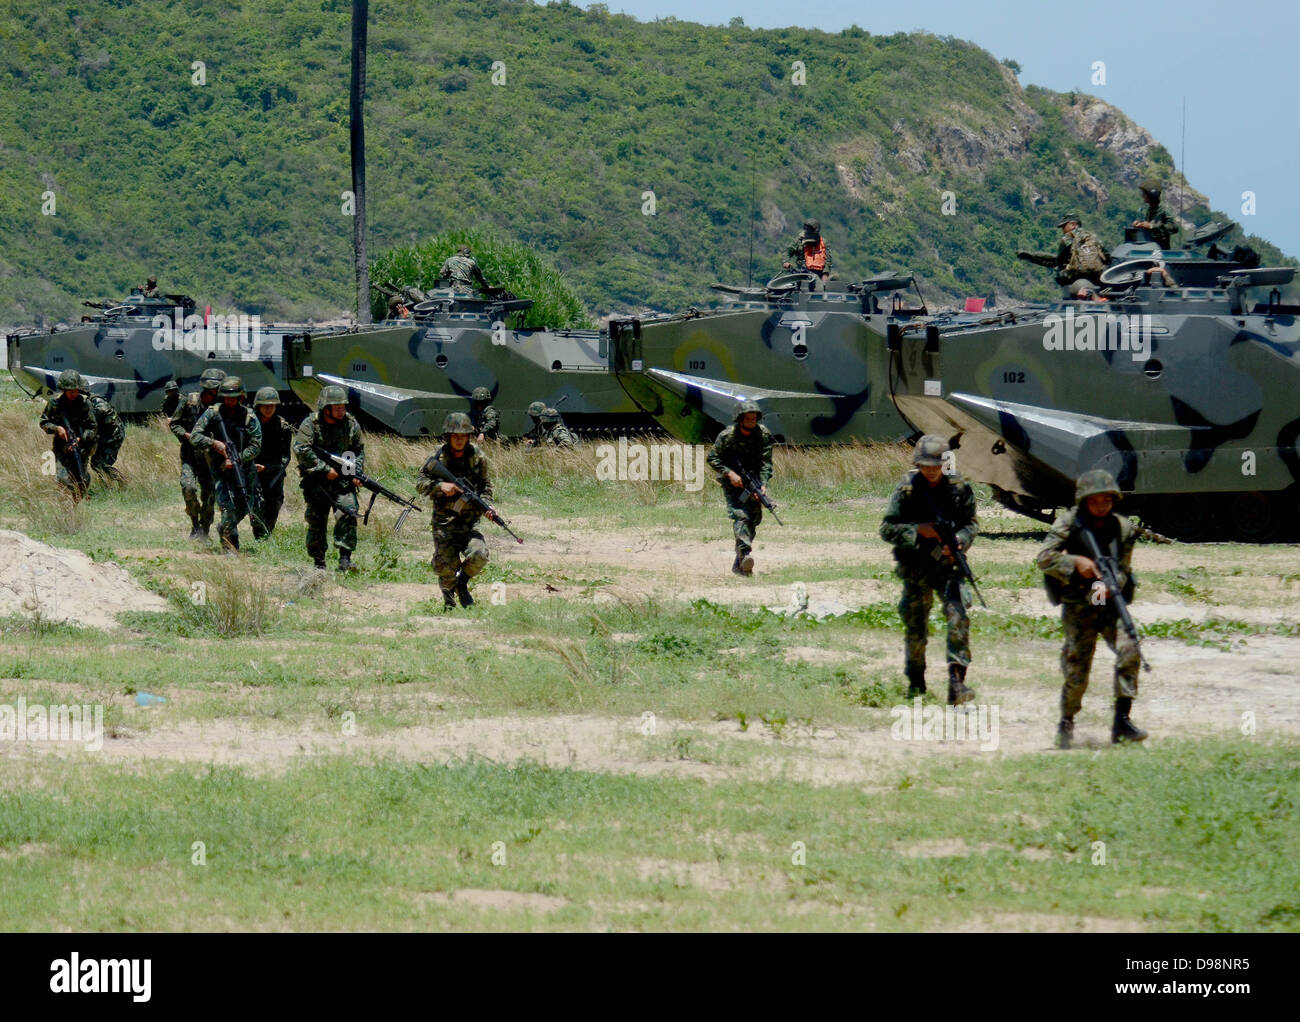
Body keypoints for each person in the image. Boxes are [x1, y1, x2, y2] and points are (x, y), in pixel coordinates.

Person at [1037, 470, 1147, 749]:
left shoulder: (1122, 528)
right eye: (1095, 500)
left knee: (1130, 648)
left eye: (1106, 500)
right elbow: (1044, 558)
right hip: (1079, 605)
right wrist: (1075, 563)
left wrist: (1113, 584)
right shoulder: (1069, 523)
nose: (1101, 505)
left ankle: (1122, 721)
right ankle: (1067, 721)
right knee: (1077, 670)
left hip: (1109, 603)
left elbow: (1123, 568)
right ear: (1083, 500)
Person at [879, 435, 978, 705]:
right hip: (917, 567)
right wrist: (918, 531)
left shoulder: (959, 488)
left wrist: (960, 540)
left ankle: (957, 683)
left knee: (958, 619)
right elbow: (887, 529)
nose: (931, 470)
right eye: (925, 465)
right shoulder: (907, 489)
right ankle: (916, 680)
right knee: (916, 627)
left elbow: (970, 523)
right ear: (917, 464)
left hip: (949, 567)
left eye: (936, 464)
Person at [417, 412, 498, 609]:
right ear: (448, 436)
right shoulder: (438, 456)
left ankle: (462, 583)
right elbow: (420, 483)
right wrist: (440, 487)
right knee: (445, 566)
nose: (460, 439)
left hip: (470, 522)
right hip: (444, 524)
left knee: (479, 554)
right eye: (455, 436)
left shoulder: (477, 456)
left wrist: (487, 505)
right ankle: (449, 599)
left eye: (463, 436)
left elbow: (485, 486)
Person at [294, 385, 364, 572]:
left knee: (348, 513)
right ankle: (318, 562)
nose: (342, 410)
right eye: (337, 407)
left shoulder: (351, 424)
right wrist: (325, 470)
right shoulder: (310, 424)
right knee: (317, 521)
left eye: (343, 406)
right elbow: (301, 450)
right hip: (317, 483)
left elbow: (358, 449)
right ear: (326, 408)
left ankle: (345, 559)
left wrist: (355, 473)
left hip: (343, 482)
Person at [191, 377, 262, 554]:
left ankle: (224, 526)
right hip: (219, 467)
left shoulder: (249, 417)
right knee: (227, 506)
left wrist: (238, 459)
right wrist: (214, 443)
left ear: (241, 397)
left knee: (247, 503)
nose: (230, 401)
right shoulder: (213, 413)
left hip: (243, 467)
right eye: (227, 397)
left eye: (234, 397)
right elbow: (195, 436)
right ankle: (230, 546)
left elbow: (256, 445)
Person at [706, 400, 774, 576]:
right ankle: (745, 554)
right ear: (740, 419)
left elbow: (766, 463)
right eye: (748, 418)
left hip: (754, 481)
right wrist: (729, 473)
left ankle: (740, 564)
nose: (752, 422)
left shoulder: (763, 434)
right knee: (741, 517)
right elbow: (712, 458)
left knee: (754, 520)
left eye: (754, 418)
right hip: (732, 482)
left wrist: (763, 484)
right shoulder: (727, 436)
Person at [170, 367, 225, 539]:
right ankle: (194, 524)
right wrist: (186, 435)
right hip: (190, 455)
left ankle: (205, 529)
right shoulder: (189, 401)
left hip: (212, 458)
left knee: (209, 496)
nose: (212, 392)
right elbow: (174, 424)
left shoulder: (222, 407)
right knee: (188, 488)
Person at [38, 369, 98, 500]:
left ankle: (78, 501)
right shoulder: (55, 403)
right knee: (63, 478)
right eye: (70, 391)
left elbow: (93, 428)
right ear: (63, 390)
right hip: (61, 448)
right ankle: (64, 504)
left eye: (76, 390)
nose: (74, 394)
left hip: (81, 447)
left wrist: (80, 438)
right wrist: (57, 428)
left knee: (81, 478)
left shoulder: (85, 403)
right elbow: (43, 422)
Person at [250, 386, 295, 540]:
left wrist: (268, 468)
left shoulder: (283, 427)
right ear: (258, 406)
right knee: (255, 504)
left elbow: (285, 457)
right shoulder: (249, 423)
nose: (269, 409)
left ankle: (266, 534)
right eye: (265, 406)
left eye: (272, 406)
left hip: (274, 473)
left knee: (274, 503)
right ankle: (259, 536)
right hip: (251, 469)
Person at [1018, 215, 1110, 287]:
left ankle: (1069, 307)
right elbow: (1107, 257)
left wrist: (1033, 258)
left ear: (1073, 224)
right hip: (1097, 276)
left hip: (1076, 277)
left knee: (1059, 270)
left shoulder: (1068, 238)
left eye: (1064, 226)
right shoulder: (1093, 237)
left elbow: (1059, 261)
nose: (1063, 230)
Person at [88, 393, 126, 481]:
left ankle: (122, 480)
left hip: (113, 436)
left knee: (101, 464)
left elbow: (100, 412)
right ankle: (105, 484)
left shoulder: (96, 401)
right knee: (96, 464)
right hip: (105, 436)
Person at [1133, 180, 1179, 250]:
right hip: (1150, 249)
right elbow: (1148, 227)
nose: (1142, 196)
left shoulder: (1164, 210)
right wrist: (1140, 225)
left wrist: (1151, 226)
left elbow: (1174, 228)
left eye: (1144, 194)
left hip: (1161, 252)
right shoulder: (1150, 210)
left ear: (1151, 195)